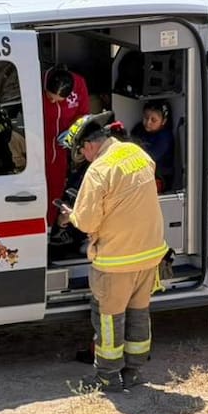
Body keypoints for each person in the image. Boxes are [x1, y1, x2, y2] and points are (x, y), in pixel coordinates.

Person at [57, 113, 167, 392]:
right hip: (149, 253)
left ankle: (107, 377)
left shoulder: (99, 170)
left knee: (109, 319)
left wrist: (71, 216)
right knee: (139, 313)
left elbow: (89, 221)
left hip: (117, 258)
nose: (82, 155)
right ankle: (134, 372)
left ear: (90, 145)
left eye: (81, 150)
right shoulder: (137, 153)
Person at [41, 65, 89, 226]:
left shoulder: (79, 84)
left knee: (56, 188)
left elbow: (83, 114)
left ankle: (50, 227)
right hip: (40, 142)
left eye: (57, 100)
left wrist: (72, 131)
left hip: (61, 148)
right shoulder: (40, 80)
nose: (53, 101)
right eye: (50, 97)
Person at [131, 99, 174, 191]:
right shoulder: (138, 129)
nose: (148, 122)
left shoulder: (165, 138)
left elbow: (150, 157)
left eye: (153, 120)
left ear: (163, 121)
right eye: (146, 118)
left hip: (160, 177)